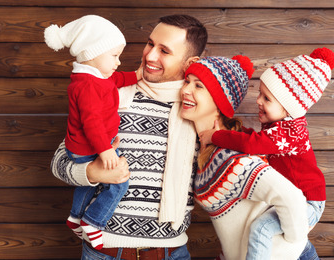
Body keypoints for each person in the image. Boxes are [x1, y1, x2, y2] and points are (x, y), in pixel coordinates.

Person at [51, 14, 207, 259]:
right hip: (106, 252)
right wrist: (93, 173)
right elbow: (59, 163)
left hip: (172, 251)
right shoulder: (110, 92)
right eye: (150, 43)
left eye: (164, 50)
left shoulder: (198, 107)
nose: (150, 56)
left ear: (191, 62)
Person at [198, 48, 334, 259]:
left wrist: (215, 137)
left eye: (267, 98)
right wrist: (231, 132)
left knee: (262, 229)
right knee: (286, 241)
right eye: (260, 94)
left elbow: (253, 145)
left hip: (308, 202)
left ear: (288, 107)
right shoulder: (281, 126)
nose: (259, 100)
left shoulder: (290, 132)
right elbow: (256, 141)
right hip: (298, 198)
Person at [180, 55, 310, 260]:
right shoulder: (210, 150)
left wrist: (292, 246)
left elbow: (291, 198)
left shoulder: (231, 158)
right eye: (187, 81)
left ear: (219, 102)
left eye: (198, 86)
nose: (185, 90)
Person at [45, 15, 143, 250]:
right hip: (88, 146)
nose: (118, 62)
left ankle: (75, 216)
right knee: (119, 183)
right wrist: (106, 149)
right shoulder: (87, 86)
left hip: (86, 145)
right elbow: (92, 123)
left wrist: (137, 76)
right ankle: (93, 221)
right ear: (91, 53)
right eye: (114, 56)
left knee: (87, 184)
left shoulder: (96, 76)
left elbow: (117, 78)